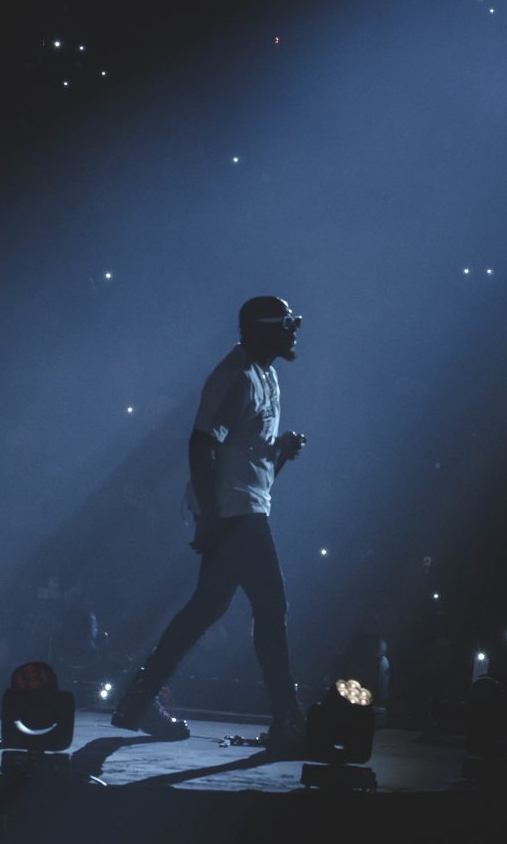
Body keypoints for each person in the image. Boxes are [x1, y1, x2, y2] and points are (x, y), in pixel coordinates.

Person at [111, 296, 309, 754]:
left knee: (204, 611)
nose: (294, 330)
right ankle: (287, 718)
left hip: (245, 507)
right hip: (235, 513)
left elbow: (245, 455)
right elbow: (202, 446)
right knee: (271, 607)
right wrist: (211, 520)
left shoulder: (268, 375)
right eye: (286, 323)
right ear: (260, 330)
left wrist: (278, 453)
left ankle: (138, 702)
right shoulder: (233, 377)